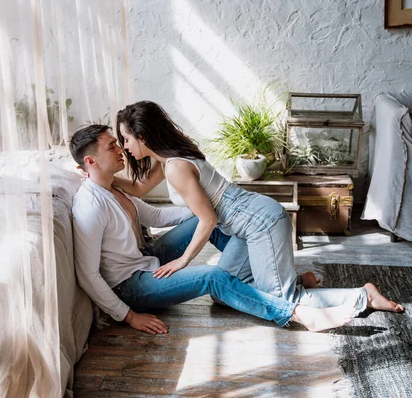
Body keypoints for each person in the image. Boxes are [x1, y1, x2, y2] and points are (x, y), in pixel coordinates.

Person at [114, 100, 404, 314]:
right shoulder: (167, 159)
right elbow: (137, 188)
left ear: (143, 136)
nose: (125, 147)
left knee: (285, 302)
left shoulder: (176, 166)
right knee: (223, 293)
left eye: (126, 139)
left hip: (262, 222)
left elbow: (207, 219)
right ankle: (295, 279)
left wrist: (183, 261)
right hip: (245, 229)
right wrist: (100, 177)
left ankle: (363, 296)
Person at [70, 124, 358, 334]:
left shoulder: (114, 188)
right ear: (90, 161)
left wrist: (203, 214)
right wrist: (129, 316)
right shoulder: (90, 204)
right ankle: (295, 314)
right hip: (130, 286)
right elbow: (88, 274)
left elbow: (156, 216)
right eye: (112, 146)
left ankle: (263, 271)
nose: (121, 150)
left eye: (120, 143)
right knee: (213, 275)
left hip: (145, 258)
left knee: (209, 217)